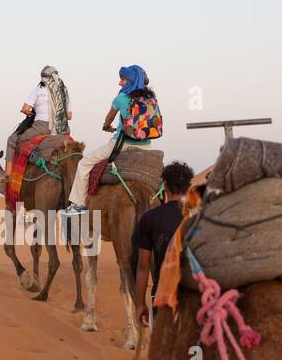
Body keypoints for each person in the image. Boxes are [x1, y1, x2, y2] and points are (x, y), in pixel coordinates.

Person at [63, 64, 160, 213]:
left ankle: (79, 204)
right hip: (146, 146)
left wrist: (107, 126)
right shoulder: (151, 98)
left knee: (84, 163)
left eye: (122, 80)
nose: (120, 83)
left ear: (130, 81)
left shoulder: (121, 98)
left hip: (122, 144)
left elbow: (109, 118)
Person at [132, 161, 193, 327]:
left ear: (164, 186)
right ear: (189, 187)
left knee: (161, 350)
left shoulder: (149, 219)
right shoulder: (200, 217)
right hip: (194, 300)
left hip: (161, 296)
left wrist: (140, 304)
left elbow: (143, 266)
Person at [6, 64, 72, 172]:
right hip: (63, 129)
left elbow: (25, 109)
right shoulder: (64, 91)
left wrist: (32, 114)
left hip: (42, 127)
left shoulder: (39, 89)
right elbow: (69, 116)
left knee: (13, 140)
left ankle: (8, 174)